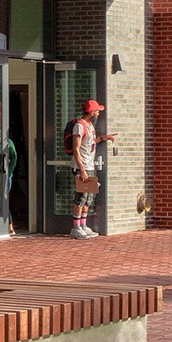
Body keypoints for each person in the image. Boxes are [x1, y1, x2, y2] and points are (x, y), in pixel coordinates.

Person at [65, 98, 114, 239]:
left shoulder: (90, 126)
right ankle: (76, 227)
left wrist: (104, 138)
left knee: (89, 198)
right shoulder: (79, 126)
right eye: (97, 111)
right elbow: (76, 148)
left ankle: (84, 224)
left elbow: (91, 142)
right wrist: (82, 169)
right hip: (82, 166)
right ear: (91, 112)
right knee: (81, 197)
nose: (99, 113)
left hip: (90, 165)